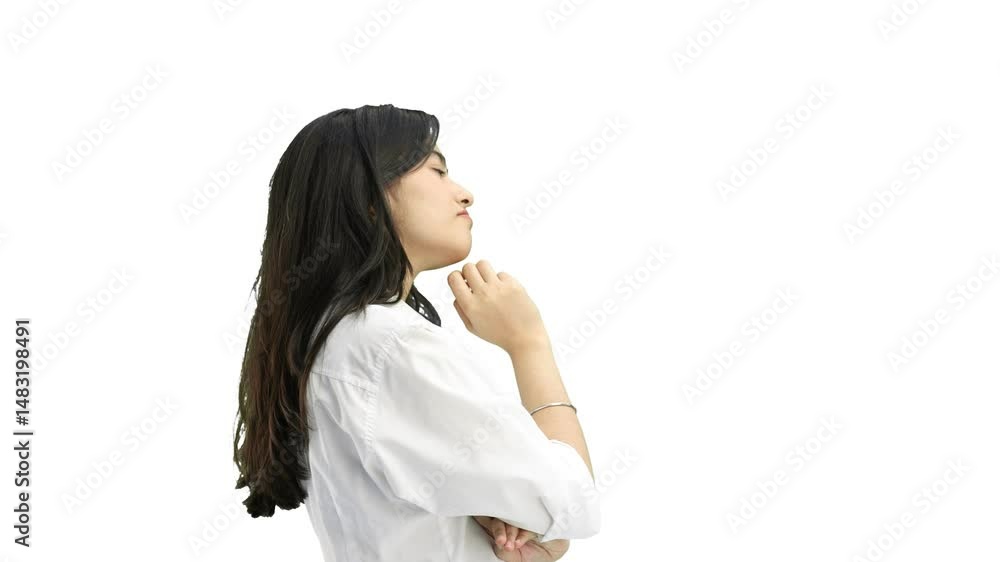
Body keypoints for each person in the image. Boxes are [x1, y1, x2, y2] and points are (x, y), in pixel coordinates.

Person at [232, 104, 600, 561]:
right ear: (369, 199)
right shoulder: (388, 344)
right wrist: (529, 344)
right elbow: (573, 502)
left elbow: (540, 522)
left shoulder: (334, 339)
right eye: (437, 171)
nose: (464, 194)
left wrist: (532, 529)